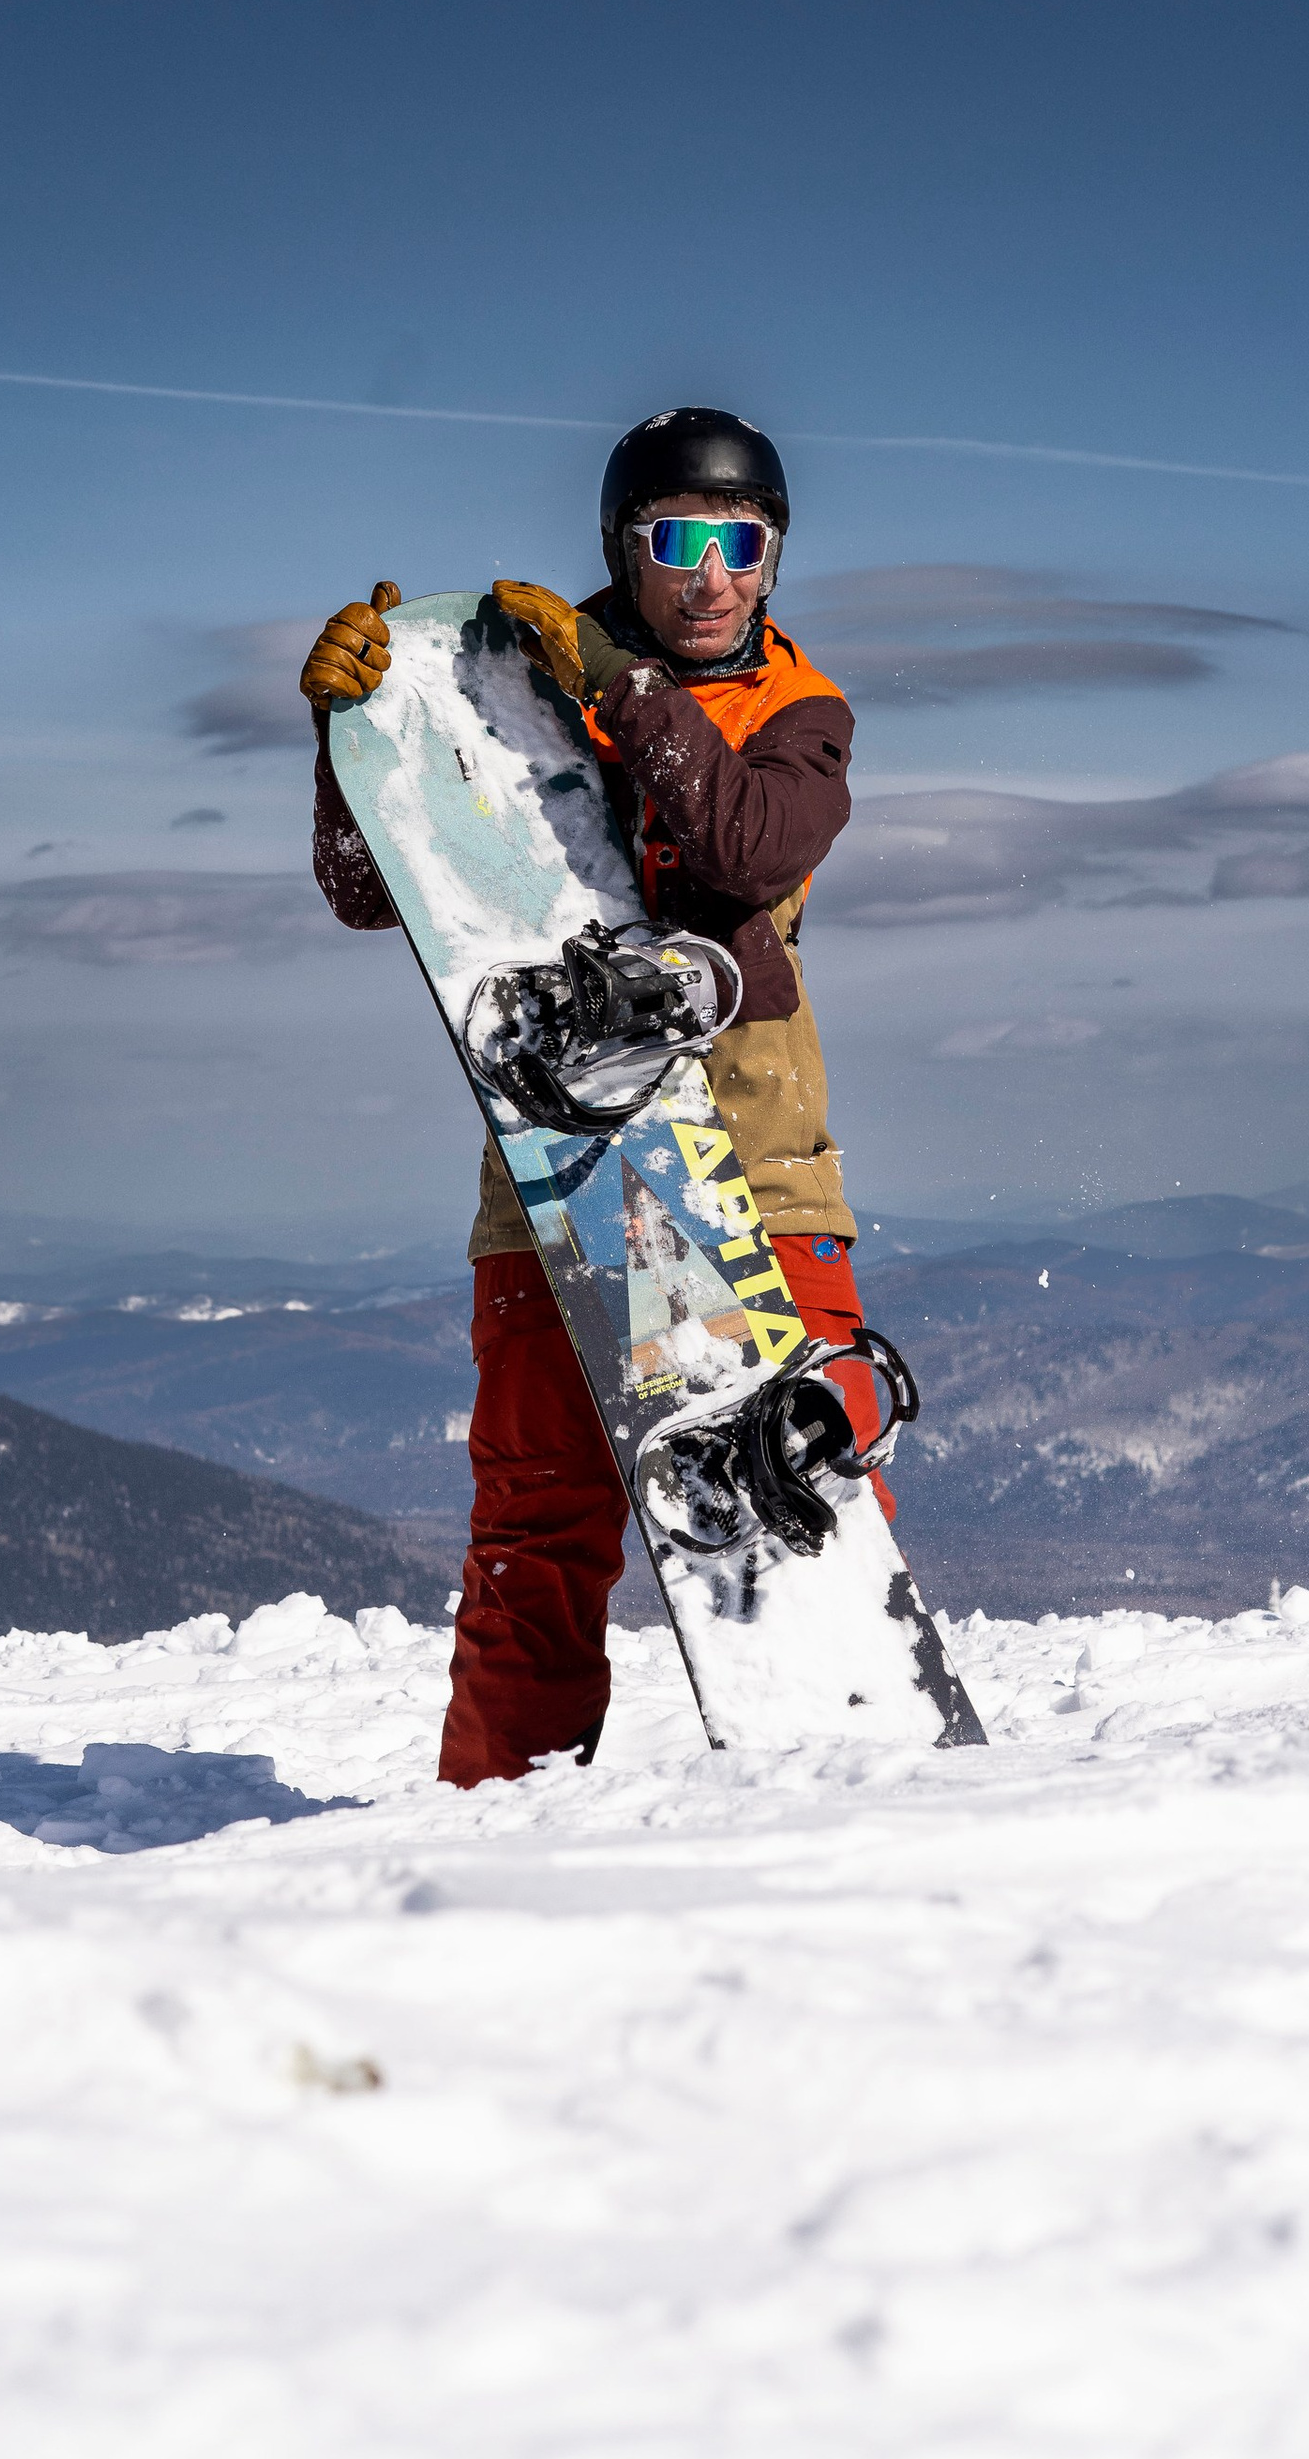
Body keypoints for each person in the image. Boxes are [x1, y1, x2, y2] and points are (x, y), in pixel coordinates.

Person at [301, 404, 884, 1787]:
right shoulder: (521, 689)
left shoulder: (800, 718)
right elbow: (366, 889)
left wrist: (615, 683)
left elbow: (741, 850)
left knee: (796, 1501)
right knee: (536, 1526)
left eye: (741, 542)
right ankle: (498, 1820)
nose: (709, 573)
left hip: (755, 1173)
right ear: (624, 547)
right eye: (676, 539)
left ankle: (863, 1802)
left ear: (775, 561)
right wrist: (351, 734)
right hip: (555, 1172)